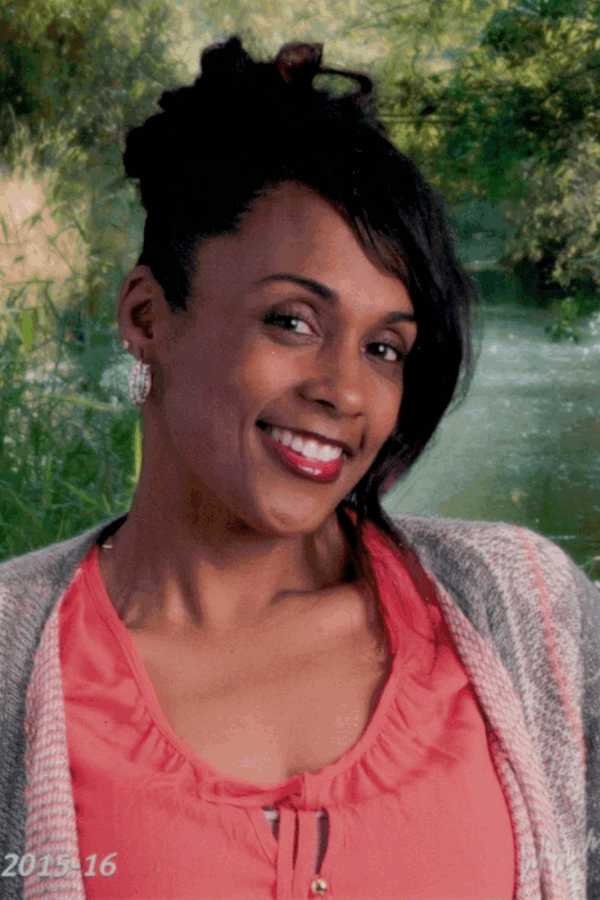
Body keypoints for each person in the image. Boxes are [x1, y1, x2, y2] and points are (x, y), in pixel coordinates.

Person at [0, 36, 599, 900]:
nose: (348, 393)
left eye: (385, 347)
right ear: (144, 315)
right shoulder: (17, 663)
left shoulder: (532, 617)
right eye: (293, 321)